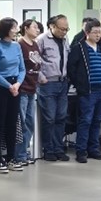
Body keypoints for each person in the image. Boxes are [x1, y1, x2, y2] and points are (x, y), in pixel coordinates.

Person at [67, 19, 101, 163]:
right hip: (88, 91)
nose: (98, 35)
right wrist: (80, 85)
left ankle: (93, 149)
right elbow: (71, 69)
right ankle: (81, 151)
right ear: (87, 33)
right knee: (85, 121)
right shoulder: (79, 48)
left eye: (99, 32)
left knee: (97, 121)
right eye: (95, 32)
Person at [0, 18, 26, 173]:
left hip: (15, 86)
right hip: (1, 87)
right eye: (14, 27)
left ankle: (11, 157)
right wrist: (9, 86)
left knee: (12, 123)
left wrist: (17, 84)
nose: (16, 30)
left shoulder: (16, 46)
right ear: (6, 29)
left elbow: (22, 68)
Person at [36, 15, 70, 161]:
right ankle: (48, 149)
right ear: (52, 26)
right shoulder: (42, 39)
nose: (64, 32)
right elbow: (34, 60)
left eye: (66, 29)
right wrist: (40, 76)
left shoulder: (65, 39)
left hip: (63, 82)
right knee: (49, 118)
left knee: (61, 117)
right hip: (47, 83)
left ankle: (58, 148)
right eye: (62, 29)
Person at [16, 19, 42, 165]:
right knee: (22, 123)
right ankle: (19, 154)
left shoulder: (35, 44)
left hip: (33, 88)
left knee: (30, 122)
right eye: (34, 27)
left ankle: (24, 151)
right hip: (23, 88)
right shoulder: (20, 44)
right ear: (26, 28)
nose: (37, 30)